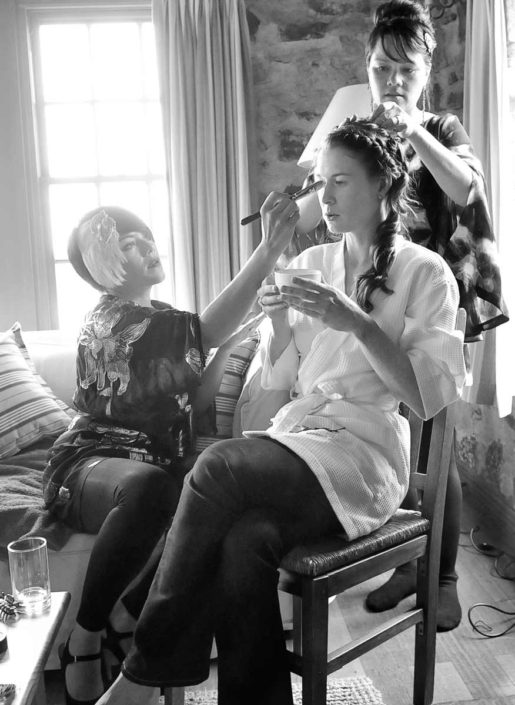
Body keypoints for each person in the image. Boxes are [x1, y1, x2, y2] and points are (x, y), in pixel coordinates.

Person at [95, 117, 465, 705]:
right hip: (303, 439)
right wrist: (277, 320)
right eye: (321, 182)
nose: (325, 197)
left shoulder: (425, 272)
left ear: (384, 185)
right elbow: (285, 382)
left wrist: (357, 322)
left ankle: (138, 664)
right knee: (244, 543)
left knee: (217, 466)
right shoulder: (312, 261)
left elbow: (425, 398)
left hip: (366, 455)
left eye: (340, 181)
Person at [296, 0, 508, 632]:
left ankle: (442, 577)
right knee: (396, 439)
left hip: (434, 298)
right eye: (381, 68)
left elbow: (467, 188)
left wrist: (412, 127)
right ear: (366, 67)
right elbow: (315, 210)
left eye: (405, 69)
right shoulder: (356, 130)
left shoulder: (440, 127)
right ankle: (408, 562)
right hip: (375, 295)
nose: (392, 80)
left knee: (435, 438)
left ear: (425, 73)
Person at [42, 198, 298, 705]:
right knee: (152, 486)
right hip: (90, 462)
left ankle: (127, 619)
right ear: (102, 265)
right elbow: (206, 329)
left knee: (212, 498)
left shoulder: (163, 317)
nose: (147, 246)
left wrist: (235, 342)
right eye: (128, 244)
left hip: (158, 469)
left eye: (147, 237)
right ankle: (85, 635)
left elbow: (194, 403)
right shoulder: (109, 319)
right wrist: (269, 249)